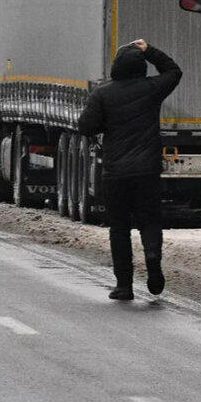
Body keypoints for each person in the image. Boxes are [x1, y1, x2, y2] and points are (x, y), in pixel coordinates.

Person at [77, 39, 182, 301]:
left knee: (119, 228)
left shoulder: (103, 93)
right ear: (141, 67)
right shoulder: (152, 89)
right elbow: (173, 72)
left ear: (116, 67)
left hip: (115, 173)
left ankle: (124, 285)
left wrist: (105, 124)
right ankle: (153, 257)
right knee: (149, 221)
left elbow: (86, 127)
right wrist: (150, 51)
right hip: (147, 170)